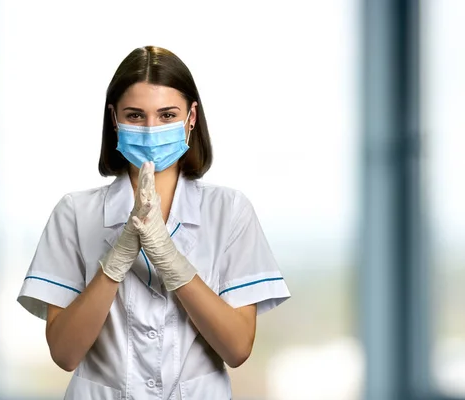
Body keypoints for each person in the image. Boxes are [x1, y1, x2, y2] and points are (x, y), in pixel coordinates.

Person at [17, 45, 291, 400]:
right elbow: (65, 354)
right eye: (135, 115)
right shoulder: (74, 213)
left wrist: (171, 261)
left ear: (191, 118)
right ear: (114, 119)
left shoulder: (229, 210)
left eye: (166, 115)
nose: (150, 129)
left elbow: (237, 348)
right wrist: (115, 262)